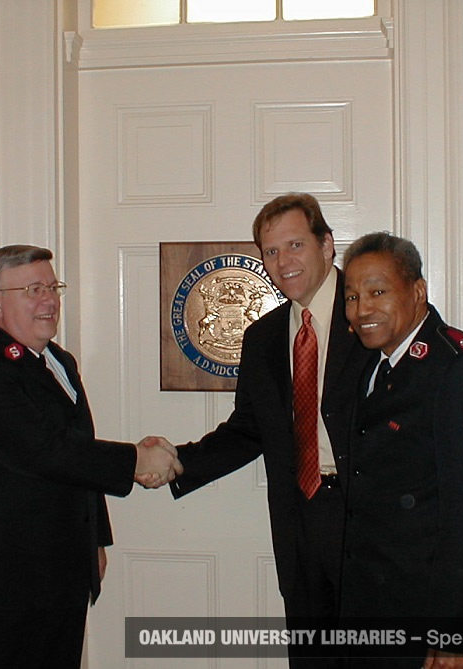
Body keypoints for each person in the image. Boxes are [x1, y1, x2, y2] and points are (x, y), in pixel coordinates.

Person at [0, 244, 181, 669]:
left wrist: (95, 541)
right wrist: (136, 462)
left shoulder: (58, 362)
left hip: (59, 576)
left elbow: (78, 448)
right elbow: (44, 453)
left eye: (52, 286)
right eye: (33, 289)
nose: (49, 300)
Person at [168, 193, 370, 667]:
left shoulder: (369, 315)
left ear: (326, 245)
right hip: (298, 522)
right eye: (271, 251)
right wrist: (177, 462)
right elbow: (249, 429)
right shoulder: (262, 337)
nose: (283, 261)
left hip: (369, 522)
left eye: (295, 245)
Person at [341, 232, 463, 669]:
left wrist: (456, 631)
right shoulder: (371, 363)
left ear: (418, 291)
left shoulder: (458, 368)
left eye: (378, 292)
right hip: (373, 606)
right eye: (353, 296)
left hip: (430, 613)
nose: (362, 310)